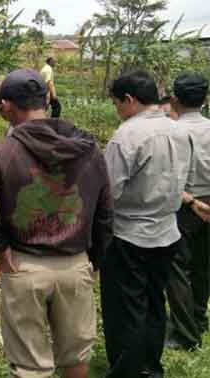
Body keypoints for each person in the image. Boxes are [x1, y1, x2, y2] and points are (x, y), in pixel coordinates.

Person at [0, 68, 113, 378]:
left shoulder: (0, 152)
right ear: (45, 99)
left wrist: (0, 246)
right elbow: (105, 213)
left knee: (30, 365)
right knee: (75, 357)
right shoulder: (88, 148)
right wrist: (93, 260)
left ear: (7, 105)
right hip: (75, 263)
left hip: (23, 265)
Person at [101, 70, 190, 378]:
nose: (117, 111)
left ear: (129, 100)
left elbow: (107, 193)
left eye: (117, 104)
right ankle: (151, 367)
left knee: (126, 310)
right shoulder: (179, 130)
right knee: (154, 302)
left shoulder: (126, 135)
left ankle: (128, 371)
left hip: (130, 235)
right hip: (167, 230)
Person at [165, 73, 210, 351]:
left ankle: (185, 334)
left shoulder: (172, 132)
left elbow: (167, 176)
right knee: (204, 267)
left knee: (177, 269)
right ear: (205, 99)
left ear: (174, 99)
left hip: (185, 205)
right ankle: (198, 319)